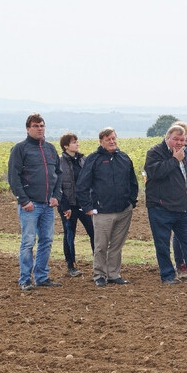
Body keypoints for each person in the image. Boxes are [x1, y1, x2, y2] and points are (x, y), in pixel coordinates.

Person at [144, 124, 187, 284]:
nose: (179, 142)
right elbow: (155, 173)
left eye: (182, 139)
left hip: (184, 207)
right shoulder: (155, 152)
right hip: (161, 207)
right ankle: (168, 275)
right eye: (175, 139)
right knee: (162, 244)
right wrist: (174, 160)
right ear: (167, 138)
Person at [76, 128, 138, 287]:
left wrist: (131, 202)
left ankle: (113, 274)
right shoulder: (94, 159)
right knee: (101, 245)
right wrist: (87, 207)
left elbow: (133, 182)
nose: (111, 141)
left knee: (117, 245)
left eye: (113, 138)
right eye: (107, 139)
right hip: (102, 211)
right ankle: (99, 275)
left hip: (124, 211)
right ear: (101, 142)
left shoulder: (124, 158)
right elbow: (82, 184)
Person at [9, 113, 62, 290]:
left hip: (48, 205)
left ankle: (41, 276)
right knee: (28, 242)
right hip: (30, 206)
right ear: (28, 128)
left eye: (42, 125)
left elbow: (58, 174)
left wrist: (56, 196)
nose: (39, 128)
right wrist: (24, 201)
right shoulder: (20, 149)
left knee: (46, 240)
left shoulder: (50, 149)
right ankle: (25, 279)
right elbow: (13, 177)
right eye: (35, 126)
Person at [56, 132, 95, 277]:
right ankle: (71, 266)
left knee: (93, 232)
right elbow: (58, 185)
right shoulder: (59, 162)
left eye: (77, 141)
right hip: (68, 205)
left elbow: (89, 181)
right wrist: (64, 206)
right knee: (69, 234)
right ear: (66, 146)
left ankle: (98, 262)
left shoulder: (83, 160)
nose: (77, 144)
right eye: (73, 142)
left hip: (84, 205)